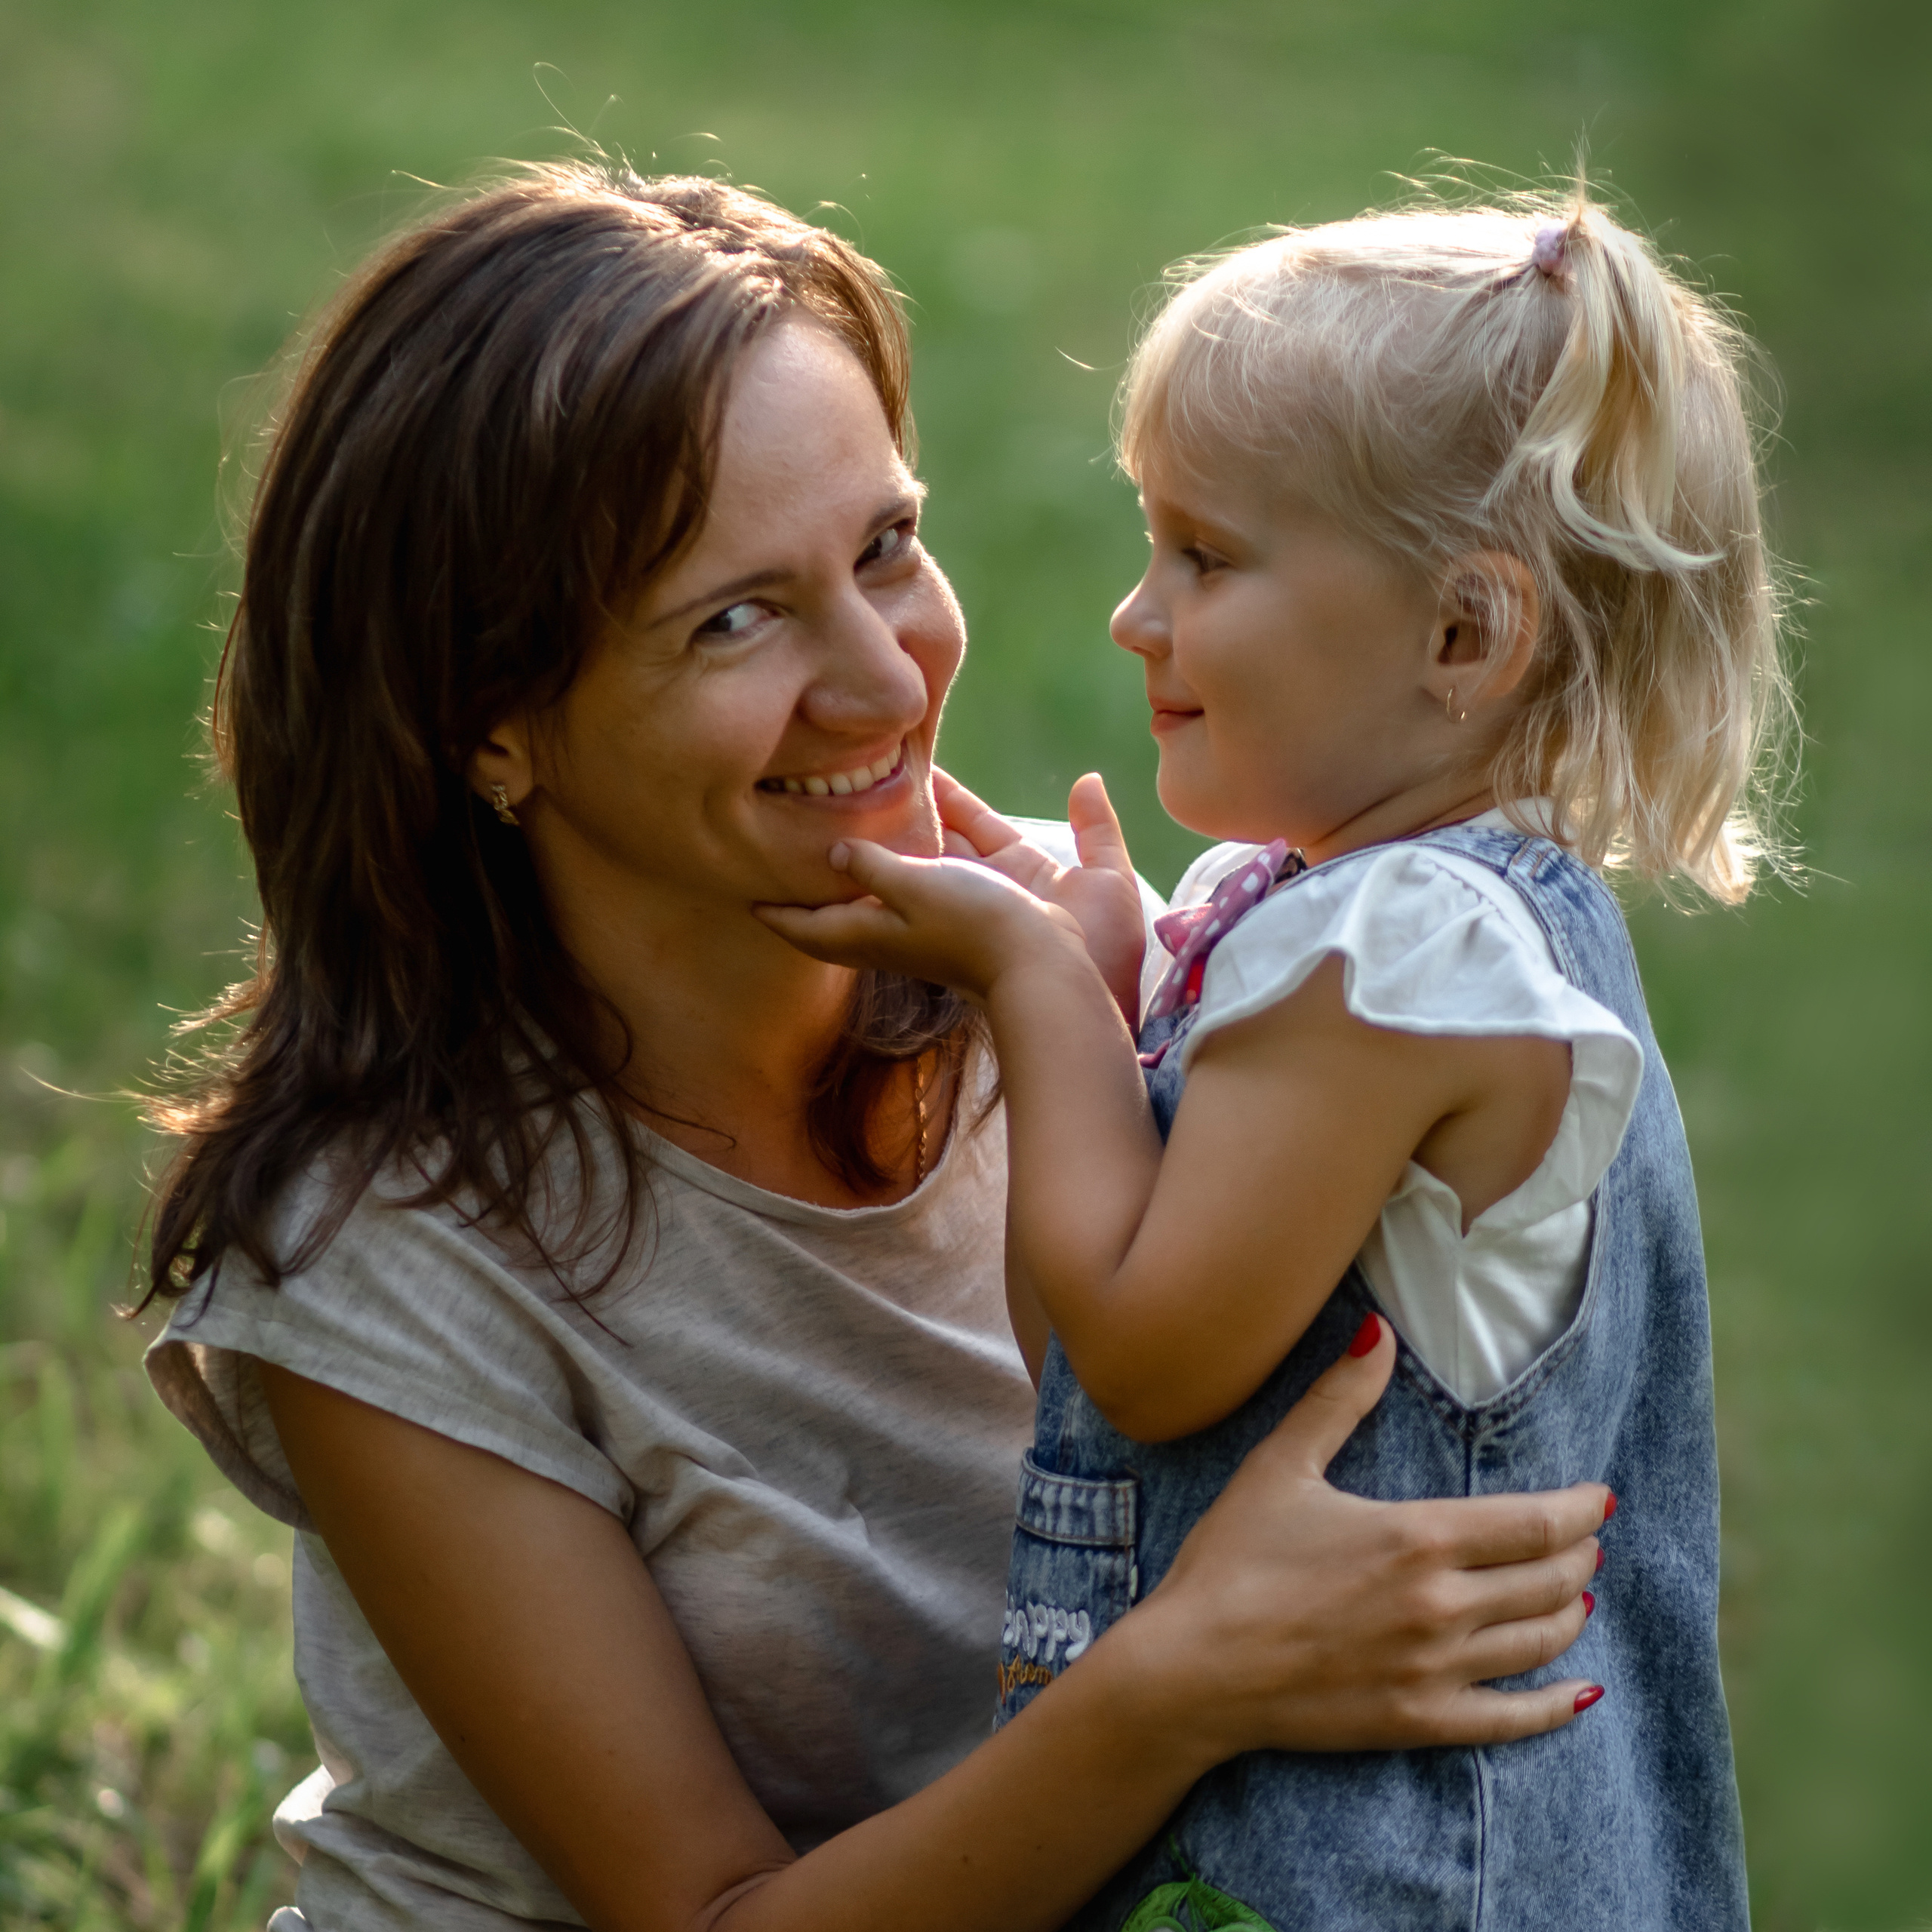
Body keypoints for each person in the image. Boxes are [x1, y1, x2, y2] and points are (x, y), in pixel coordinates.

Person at [143, 163, 1611, 1932]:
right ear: (490, 727)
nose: (883, 680)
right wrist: (1182, 1676)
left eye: (885, 548)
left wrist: (1108, 1013)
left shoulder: (1078, 994)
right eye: (732, 619)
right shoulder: (389, 1249)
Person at [762, 189, 1783, 1929]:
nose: (1132, 616)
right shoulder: (1350, 927)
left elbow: (1149, 1355)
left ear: (1464, 636)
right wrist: (1109, 988)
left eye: (1203, 559)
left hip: (1381, 1879)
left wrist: (1034, 983)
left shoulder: (1396, 962)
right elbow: (1085, 1364)